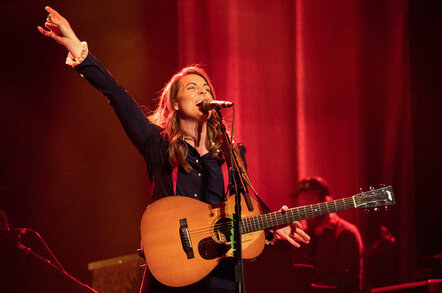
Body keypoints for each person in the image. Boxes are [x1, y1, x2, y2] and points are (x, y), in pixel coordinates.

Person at [38, 6, 311, 292]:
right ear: (176, 104)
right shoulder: (157, 143)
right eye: (192, 88)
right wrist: (78, 51)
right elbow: (118, 97)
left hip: (219, 276)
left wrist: (271, 225)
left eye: (206, 87)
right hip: (170, 273)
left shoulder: (231, 153)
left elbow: (239, 206)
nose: (203, 91)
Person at [290, 177, 364, 292]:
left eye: (309, 200)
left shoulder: (346, 233)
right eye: (301, 201)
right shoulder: (302, 235)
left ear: (326, 202)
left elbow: (344, 283)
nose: (303, 208)